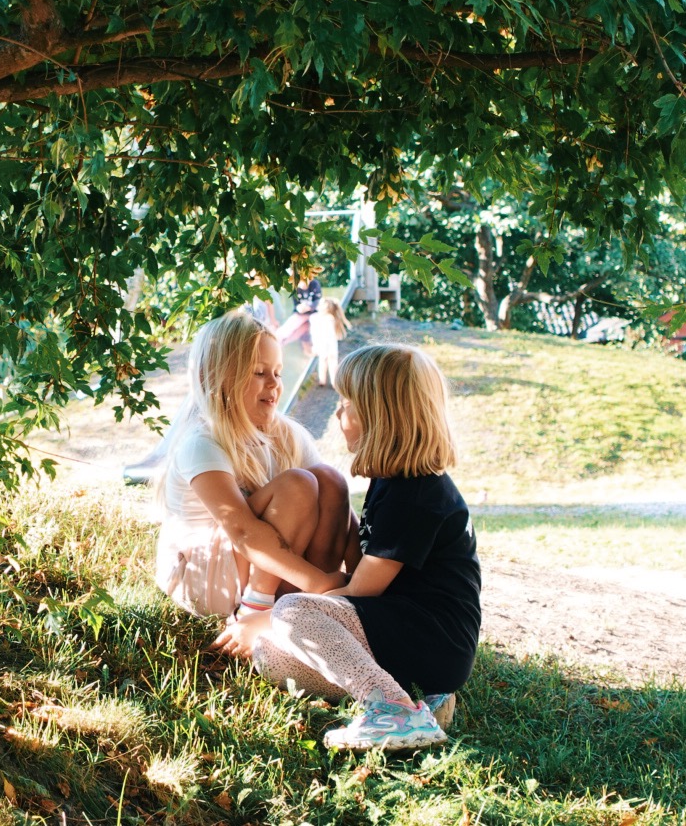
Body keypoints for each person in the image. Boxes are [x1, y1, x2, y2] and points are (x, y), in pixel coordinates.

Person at [219, 343, 480, 752]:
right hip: (402, 638)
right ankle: (424, 697)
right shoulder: (392, 482)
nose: (338, 413)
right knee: (271, 657)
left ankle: (391, 708)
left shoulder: (416, 495)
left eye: (346, 403)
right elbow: (361, 560)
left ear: (380, 416)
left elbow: (361, 591)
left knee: (291, 612)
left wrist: (266, 618)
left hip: (431, 639)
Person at [154, 311, 357, 621]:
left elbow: (337, 504)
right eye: (260, 372)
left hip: (257, 565)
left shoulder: (285, 434)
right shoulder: (201, 442)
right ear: (218, 378)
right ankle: (258, 608)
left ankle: (316, 604)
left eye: (277, 372)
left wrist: (362, 573)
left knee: (329, 479)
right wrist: (319, 582)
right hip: (205, 574)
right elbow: (241, 530)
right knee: (297, 485)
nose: (274, 383)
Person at [308, 296, 349, 387]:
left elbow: (316, 333)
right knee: (329, 361)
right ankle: (329, 381)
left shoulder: (321, 318)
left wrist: (315, 346)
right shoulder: (324, 318)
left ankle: (325, 381)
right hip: (327, 343)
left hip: (325, 343)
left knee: (327, 361)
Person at [274, 271, 322, 347]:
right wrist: (299, 308)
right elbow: (296, 304)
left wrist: (309, 307)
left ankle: (318, 346)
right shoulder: (295, 288)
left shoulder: (314, 284)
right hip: (301, 314)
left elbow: (318, 301)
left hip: (314, 313)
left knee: (314, 324)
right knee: (291, 326)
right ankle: (277, 341)